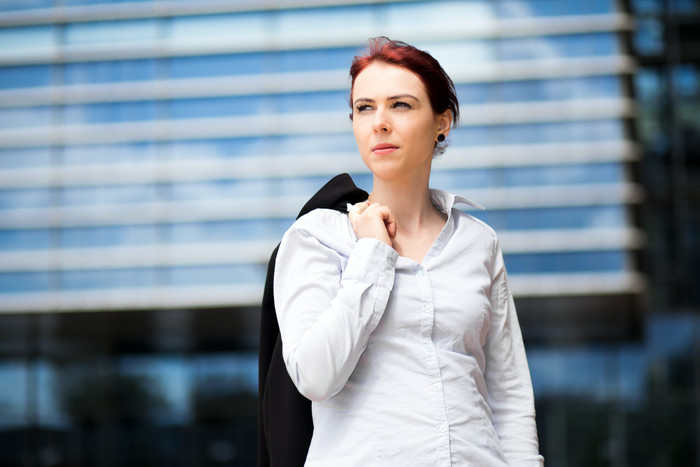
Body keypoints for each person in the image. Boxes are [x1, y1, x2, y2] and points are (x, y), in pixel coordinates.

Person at [272, 37, 544, 466]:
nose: (379, 122)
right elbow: (315, 376)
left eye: (400, 105)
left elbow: (508, 396)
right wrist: (372, 256)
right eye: (365, 108)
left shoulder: (479, 243)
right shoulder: (317, 237)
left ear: (443, 122)